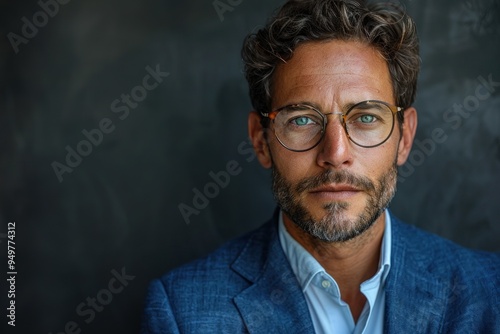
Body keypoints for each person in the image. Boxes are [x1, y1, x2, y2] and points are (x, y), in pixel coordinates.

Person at [141, 0, 500, 333]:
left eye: (365, 117)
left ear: (404, 139)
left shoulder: (490, 291)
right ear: (260, 139)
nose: (336, 152)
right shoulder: (182, 314)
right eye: (301, 120)